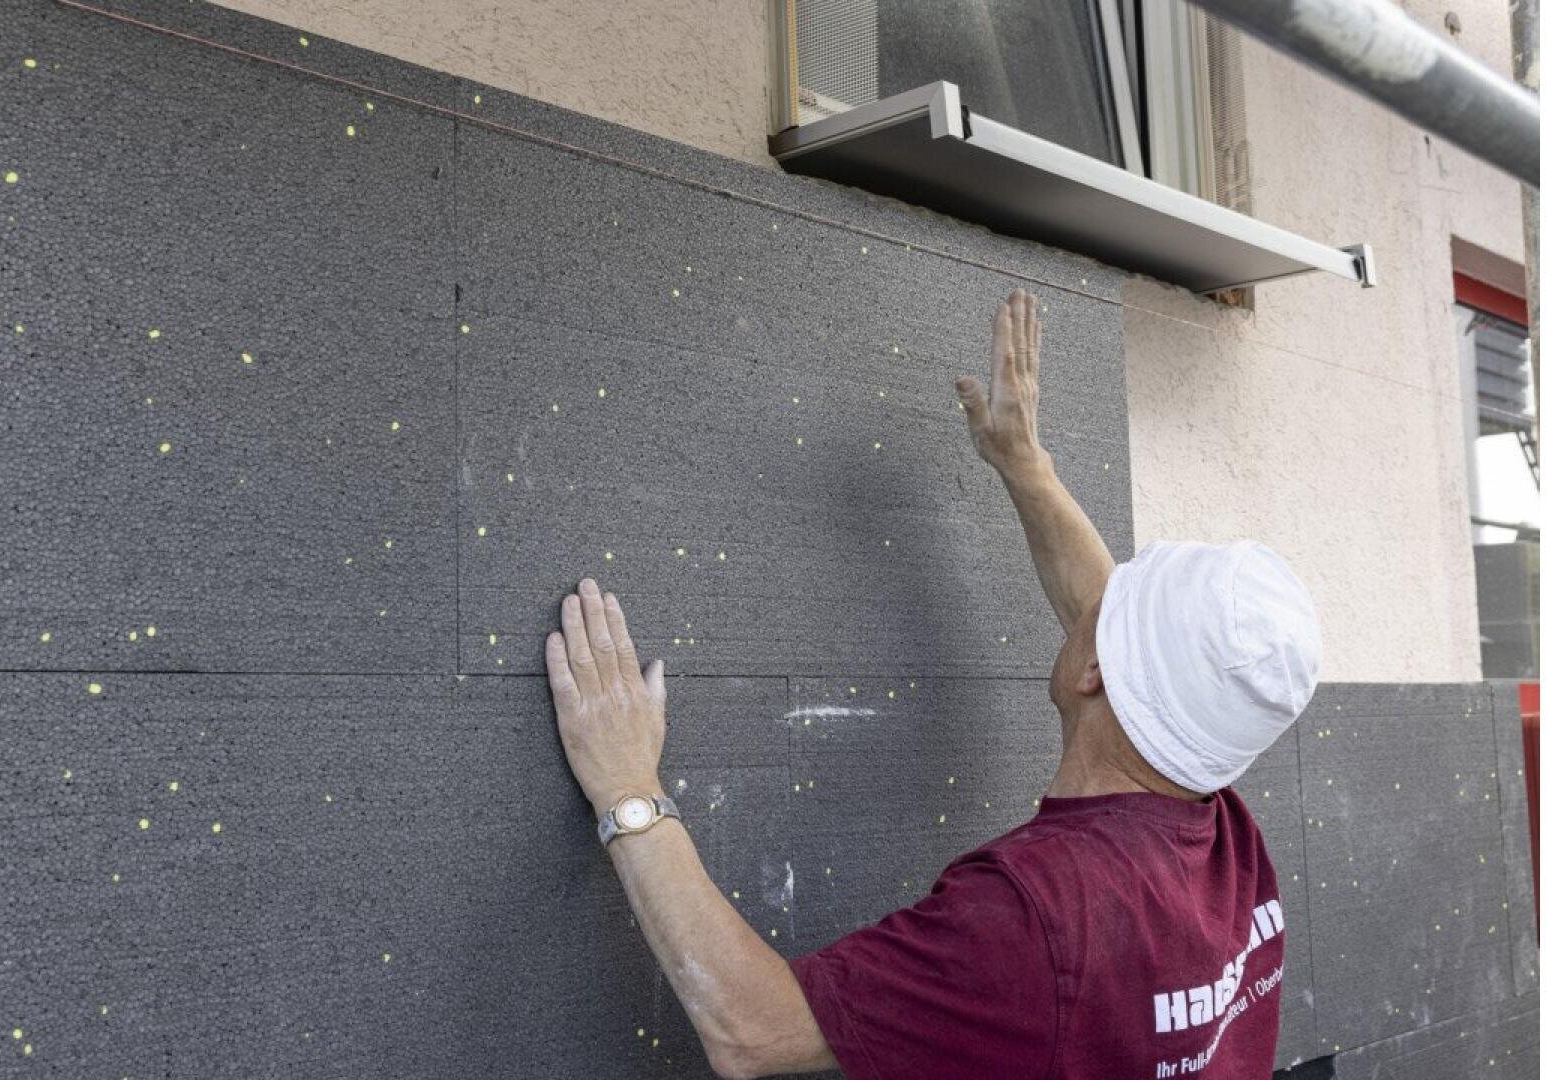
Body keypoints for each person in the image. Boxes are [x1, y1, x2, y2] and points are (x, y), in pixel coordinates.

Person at [544, 288, 1322, 1079]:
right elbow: (1112, 636)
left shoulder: (1038, 912)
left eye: (1110, 617)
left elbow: (753, 1029)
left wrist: (626, 788)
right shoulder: (1223, 841)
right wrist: (1026, 464)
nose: (1095, 600)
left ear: (1095, 672)